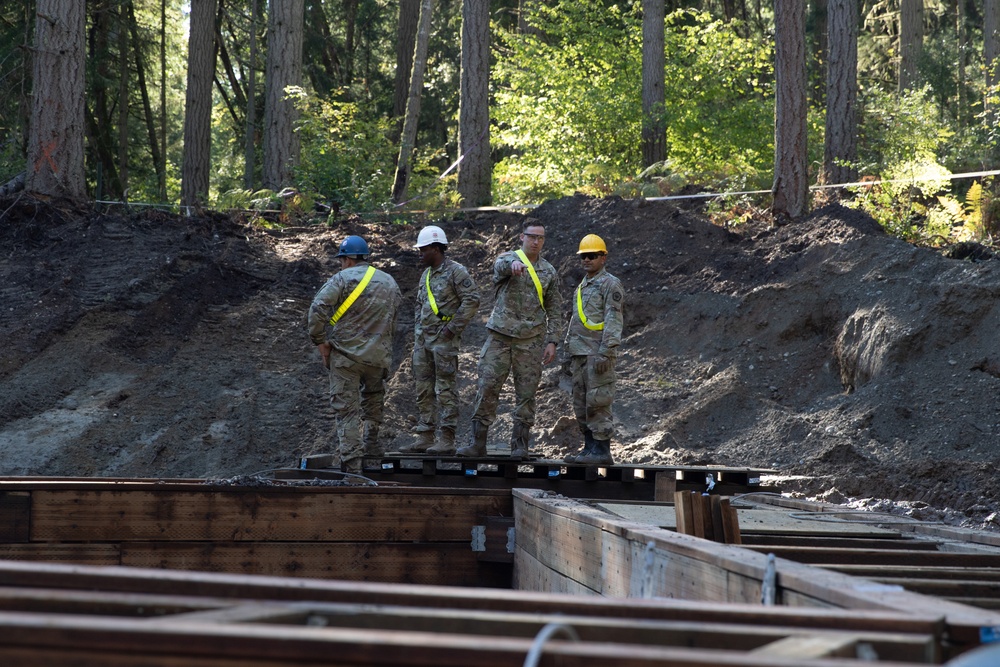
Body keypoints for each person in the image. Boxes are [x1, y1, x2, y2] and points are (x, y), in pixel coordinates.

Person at [457, 219, 563, 459]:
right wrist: (513, 264)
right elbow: (501, 264)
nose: (536, 241)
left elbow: (555, 309)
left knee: (526, 394)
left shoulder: (548, 271)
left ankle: (520, 446)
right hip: (500, 338)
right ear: (522, 237)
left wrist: (552, 341)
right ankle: (477, 443)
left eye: (540, 237)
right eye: (531, 236)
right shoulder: (508, 259)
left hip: (531, 340)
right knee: (487, 388)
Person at [307, 235, 401, 474]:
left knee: (347, 410)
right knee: (373, 399)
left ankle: (353, 467)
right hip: (378, 357)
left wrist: (320, 342)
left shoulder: (341, 278)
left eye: (342, 260)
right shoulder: (389, 281)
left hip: (347, 357)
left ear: (348, 259)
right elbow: (393, 318)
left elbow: (317, 309)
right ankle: (371, 444)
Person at [396, 225, 480, 455]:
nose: (419, 253)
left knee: (445, 389)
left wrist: (452, 329)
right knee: (423, 388)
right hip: (423, 342)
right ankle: (425, 435)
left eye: (423, 249)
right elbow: (419, 307)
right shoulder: (426, 275)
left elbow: (472, 299)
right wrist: (417, 336)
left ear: (436, 248)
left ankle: (446, 438)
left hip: (444, 342)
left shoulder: (456, 272)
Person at [563, 234, 624, 465]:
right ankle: (589, 449)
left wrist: (606, 351)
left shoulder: (610, 284)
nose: (586, 260)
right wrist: (568, 352)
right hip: (580, 354)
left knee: (598, 401)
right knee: (581, 403)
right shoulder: (583, 286)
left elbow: (613, 319)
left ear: (603, 257)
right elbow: (576, 320)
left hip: (598, 354)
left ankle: (602, 451)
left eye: (592, 256)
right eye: (583, 256)